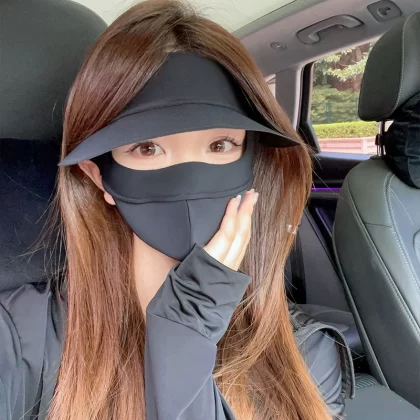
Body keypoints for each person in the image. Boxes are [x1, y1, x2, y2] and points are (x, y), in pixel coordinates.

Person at [0, 1, 352, 419]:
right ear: (99, 177)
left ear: (251, 164)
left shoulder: (305, 356)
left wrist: (186, 331)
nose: (188, 180)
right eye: (147, 148)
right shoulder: (19, 339)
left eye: (220, 145)